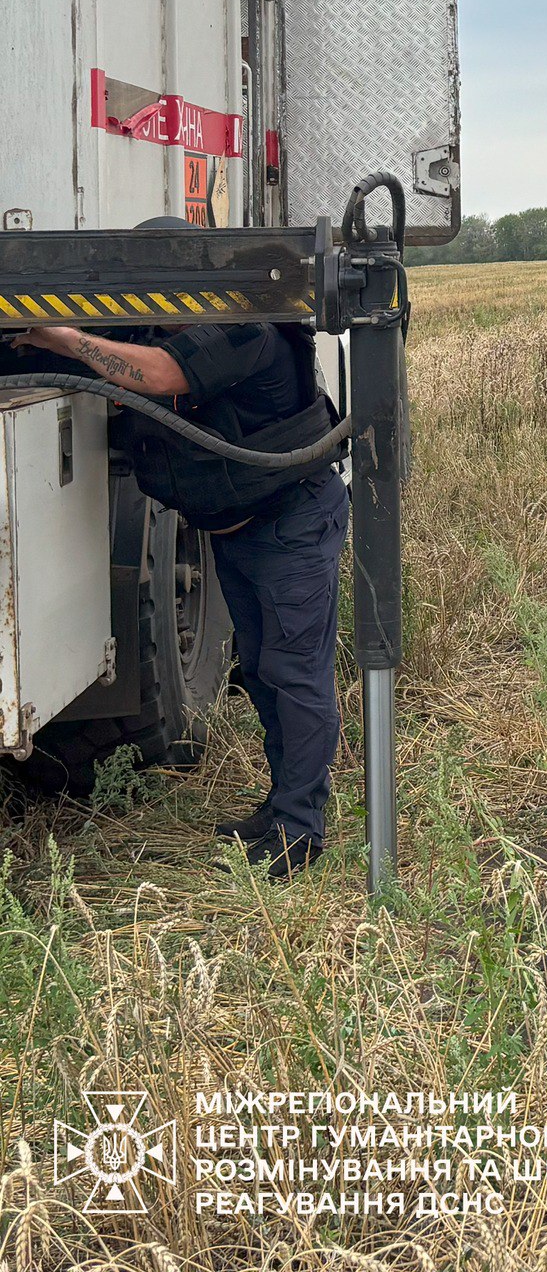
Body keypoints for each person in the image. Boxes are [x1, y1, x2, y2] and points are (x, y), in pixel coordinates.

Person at [3, 216, 346, 879]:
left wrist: (70, 338)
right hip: (241, 531)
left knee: (293, 674)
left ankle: (299, 831)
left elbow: (161, 376)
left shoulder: (247, 326)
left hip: (290, 523)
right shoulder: (164, 330)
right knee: (266, 673)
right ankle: (281, 810)